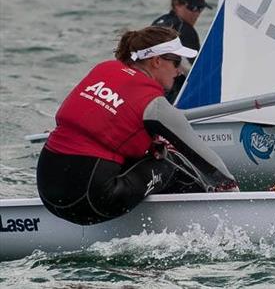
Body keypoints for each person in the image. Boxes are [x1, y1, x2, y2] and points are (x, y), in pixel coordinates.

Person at [37, 26, 238, 226]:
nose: (179, 71)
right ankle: (208, 222)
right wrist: (232, 189)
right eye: (176, 62)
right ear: (156, 61)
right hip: (92, 201)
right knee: (171, 161)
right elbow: (203, 156)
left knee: (151, 152)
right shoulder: (154, 105)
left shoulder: (104, 69)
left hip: (48, 191)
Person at [152, 0, 213, 103]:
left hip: (150, 85)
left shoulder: (159, 21)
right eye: (193, 7)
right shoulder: (186, 30)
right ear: (177, 4)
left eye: (201, 8)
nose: (197, 13)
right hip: (167, 93)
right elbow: (195, 72)